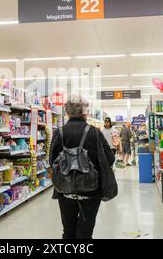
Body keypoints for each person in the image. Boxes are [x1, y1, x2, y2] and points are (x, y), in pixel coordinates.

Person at [49, 95, 116, 239]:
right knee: (85, 233)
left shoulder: (58, 133)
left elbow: (52, 161)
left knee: (68, 231)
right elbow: (109, 158)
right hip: (90, 191)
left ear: (67, 112)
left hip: (65, 190)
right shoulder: (95, 132)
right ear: (85, 112)